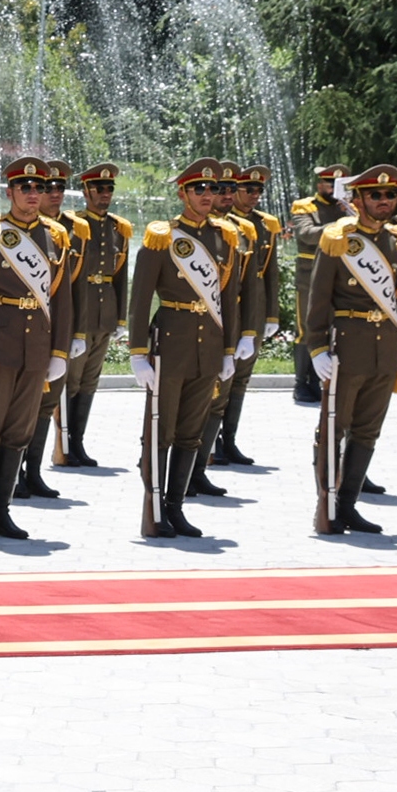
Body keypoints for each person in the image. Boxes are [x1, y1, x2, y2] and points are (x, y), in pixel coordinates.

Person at [0, 157, 78, 542]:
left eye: (39, 188)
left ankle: (2, 510)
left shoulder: (55, 236)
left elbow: (64, 300)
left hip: (36, 344)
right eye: (26, 188)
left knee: (18, 431)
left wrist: (59, 351)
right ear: (10, 192)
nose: (34, 194)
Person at [300, 163, 397, 535]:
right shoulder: (338, 238)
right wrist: (317, 347)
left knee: (368, 431)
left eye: (391, 194)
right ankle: (327, 503)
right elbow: (317, 299)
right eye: (376, 195)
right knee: (333, 426)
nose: (385, 201)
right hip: (347, 345)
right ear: (357, 199)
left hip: (385, 347)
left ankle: (348, 504)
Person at [128, 161, 236, 540]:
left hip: (207, 346)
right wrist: (138, 352)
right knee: (161, 431)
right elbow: (140, 298)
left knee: (191, 433)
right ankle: (154, 509)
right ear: (183, 194)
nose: (208, 196)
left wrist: (228, 350)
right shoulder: (163, 236)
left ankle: (176, 507)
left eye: (212, 190)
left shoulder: (225, 237)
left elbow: (228, 300)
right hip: (170, 342)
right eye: (199, 190)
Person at [56, 163, 130, 471]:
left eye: (109, 189)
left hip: (105, 312)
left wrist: (121, 320)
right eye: (99, 189)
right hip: (80, 311)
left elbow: (122, 275)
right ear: (86, 192)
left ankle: (78, 442)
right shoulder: (73, 225)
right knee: (71, 381)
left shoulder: (118, 228)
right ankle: (63, 445)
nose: (105, 194)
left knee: (89, 381)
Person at [212, 165, 282, 471]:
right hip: (218, 313)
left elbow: (267, 275)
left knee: (239, 379)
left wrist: (268, 315)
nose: (252, 195)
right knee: (217, 380)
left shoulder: (259, 226)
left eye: (257, 191)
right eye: (246, 190)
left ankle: (228, 440)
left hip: (247, 311)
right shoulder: (219, 226)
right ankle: (209, 445)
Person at [283, 164, 343, 409]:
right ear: (320, 185)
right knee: (306, 329)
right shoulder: (305, 206)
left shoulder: (348, 208)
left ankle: (322, 382)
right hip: (310, 277)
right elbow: (307, 234)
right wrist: (344, 225)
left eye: (339, 184)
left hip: (339, 278)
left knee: (332, 329)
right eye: (330, 183)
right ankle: (302, 384)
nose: (333, 188)